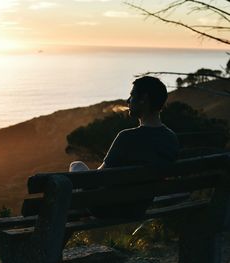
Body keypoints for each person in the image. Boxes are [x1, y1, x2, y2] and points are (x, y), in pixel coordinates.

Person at [69, 76, 180, 217]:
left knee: (76, 165)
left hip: (106, 208)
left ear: (143, 99)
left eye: (132, 95)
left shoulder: (126, 137)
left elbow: (97, 178)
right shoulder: (171, 138)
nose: (128, 101)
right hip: (138, 208)